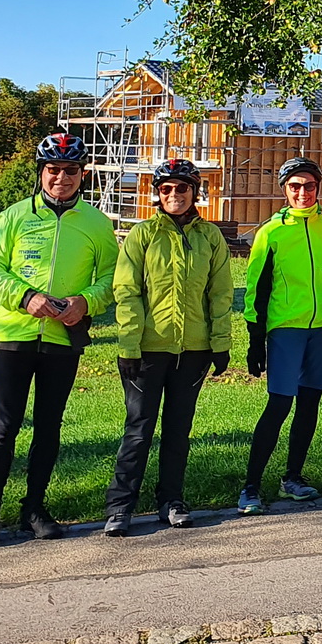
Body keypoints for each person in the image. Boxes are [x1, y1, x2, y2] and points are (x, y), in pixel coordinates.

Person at [0, 133, 117, 547]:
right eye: (53, 170)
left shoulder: (97, 223)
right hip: (14, 334)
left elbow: (111, 279)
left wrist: (85, 302)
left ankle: (33, 509)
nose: (61, 178)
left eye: (70, 171)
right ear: (41, 172)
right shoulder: (15, 215)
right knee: (4, 426)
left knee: (49, 427)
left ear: (83, 174)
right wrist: (25, 296)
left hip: (63, 338)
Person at [104, 158, 234, 536]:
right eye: (166, 189)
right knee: (138, 430)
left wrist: (220, 343)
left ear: (195, 191)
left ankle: (171, 499)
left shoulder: (210, 237)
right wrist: (129, 345)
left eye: (182, 188)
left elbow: (220, 294)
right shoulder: (142, 235)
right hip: (148, 349)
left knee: (178, 431)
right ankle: (120, 506)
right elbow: (127, 291)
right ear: (157, 195)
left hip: (193, 350)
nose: (174, 194)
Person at [237, 157, 322, 514]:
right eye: (295, 186)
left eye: (309, 186)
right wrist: (255, 338)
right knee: (280, 404)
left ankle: (292, 478)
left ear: (318, 188)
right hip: (286, 328)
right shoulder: (271, 232)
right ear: (284, 189)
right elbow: (256, 287)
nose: (302, 193)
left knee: (309, 403)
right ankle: (251, 486)